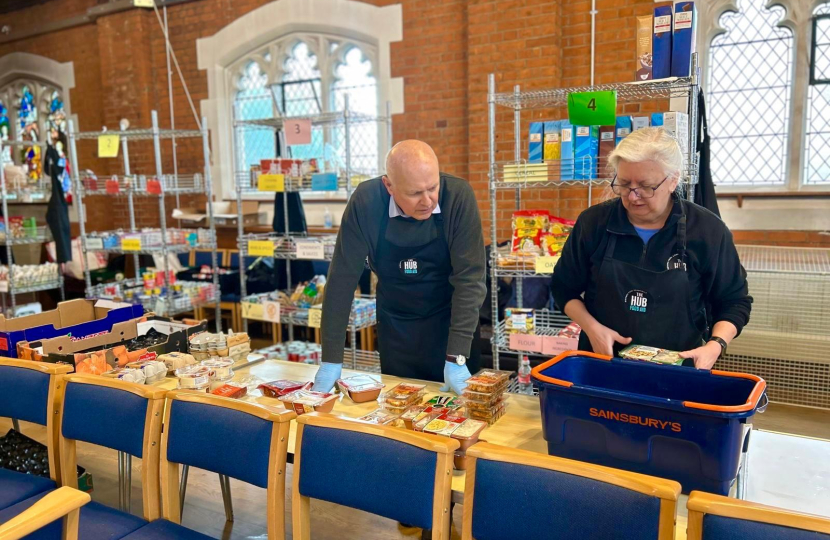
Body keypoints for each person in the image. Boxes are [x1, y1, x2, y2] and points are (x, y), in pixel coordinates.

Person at [550, 127, 751, 369]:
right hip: (602, 362)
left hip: (678, 369)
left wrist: (715, 344)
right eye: (624, 184)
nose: (633, 197)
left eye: (646, 186)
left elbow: (734, 301)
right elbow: (563, 288)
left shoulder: (708, 231)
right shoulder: (594, 223)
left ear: (673, 180)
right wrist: (593, 329)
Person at [313, 140, 486, 393]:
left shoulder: (458, 197)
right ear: (389, 186)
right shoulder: (366, 203)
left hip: (452, 324)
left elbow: (470, 280)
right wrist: (330, 359)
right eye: (415, 193)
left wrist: (457, 357)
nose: (427, 201)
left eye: (433, 187)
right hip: (396, 328)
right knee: (400, 412)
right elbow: (341, 281)